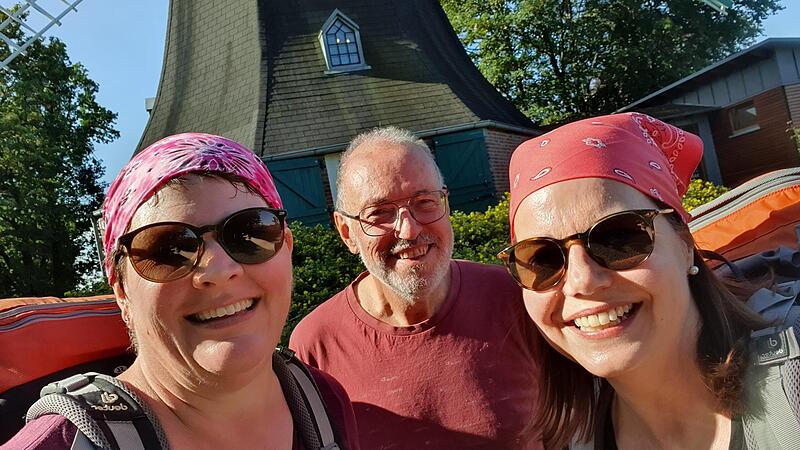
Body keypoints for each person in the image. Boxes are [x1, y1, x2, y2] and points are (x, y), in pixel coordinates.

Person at [3, 133, 359, 449]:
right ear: (122, 292)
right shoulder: (61, 445)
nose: (219, 271)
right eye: (167, 249)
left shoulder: (323, 401)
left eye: (250, 231)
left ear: (287, 247)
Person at [501, 112, 793, 449]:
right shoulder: (570, 438)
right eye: (542, 257)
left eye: (619, 237)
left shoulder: (792, 390)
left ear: (685, 245)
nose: (583, 280)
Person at [289, 127, 542, 450]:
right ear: (347, 232)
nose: (408, 230)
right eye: (379, 213)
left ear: (446, 204)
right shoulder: (316, 345)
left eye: (424, 202)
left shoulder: (515, 297)